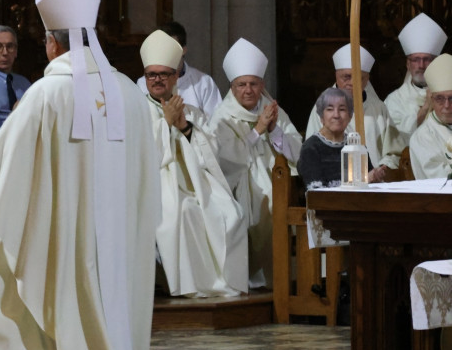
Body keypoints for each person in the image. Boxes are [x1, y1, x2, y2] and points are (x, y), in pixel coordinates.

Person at [0, 0, 161, 350]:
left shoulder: (46, 95)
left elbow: (8, 160)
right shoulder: (130, 95)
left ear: (51, 43)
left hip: (70, 236)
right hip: (119, 236)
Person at [139, 30, 247, 297]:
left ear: (176, 76)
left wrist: (184, 126)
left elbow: (210, 153)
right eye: (152, 74)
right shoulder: (136, 109)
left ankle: (220, 283)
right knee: (182, 212)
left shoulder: (191, 112)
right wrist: (165, 123)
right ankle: (186, 286)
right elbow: (139, 154)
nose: (157, 80)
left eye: (164, 74)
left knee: (232, 213)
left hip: (198, 183)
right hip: (157, 185)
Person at [208, 38, 302, 289]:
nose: (248, 90)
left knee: (276, 198)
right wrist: (258, 130)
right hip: (238, 183)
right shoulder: (222, 116)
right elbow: (224, 160)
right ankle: (254, 280)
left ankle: (279, 279)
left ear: (262, 84)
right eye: (241, 85)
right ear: (232, 86)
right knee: (263, 201)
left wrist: (274, 131)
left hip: (276, 178)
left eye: (253, 84)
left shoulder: (274, 111)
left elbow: (298, 149)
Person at [305, 44, 403, 173]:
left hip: (375, 187)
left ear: (367, 79)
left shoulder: (378, 108)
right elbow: (312, 154)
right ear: (336, 76)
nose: (352, 83)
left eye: (358, 78)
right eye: (346, 77)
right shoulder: (322, 108)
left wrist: (382, 169)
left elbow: (394, 152)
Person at [136, 21, 223, 117]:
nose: (157, 79)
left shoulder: (204, 83)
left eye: (171, 48)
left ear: (184, 50)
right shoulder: (143, 84)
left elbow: (214, 125)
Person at [384, 13, 447, 144]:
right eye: (416, 60)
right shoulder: (394, 100)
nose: (421, 65)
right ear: (408, 64)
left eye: (427, 59)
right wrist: (424, 109)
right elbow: (393, 142)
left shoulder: (449, 94)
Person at [299, 88, 380, 188]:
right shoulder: (311, 148)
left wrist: (375, 178)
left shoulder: (356, 145)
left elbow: (369, 182)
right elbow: (317, 193)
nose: (336, 115)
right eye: (329, 109)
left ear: (350, 116)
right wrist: (362, 181)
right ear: (321, 117)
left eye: (342, 109)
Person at [410, 54, 452, 179]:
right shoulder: (422, 137)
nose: (446, 105)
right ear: (432, 100)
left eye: (451, 98)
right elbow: (440, 178)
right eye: (440, 98)